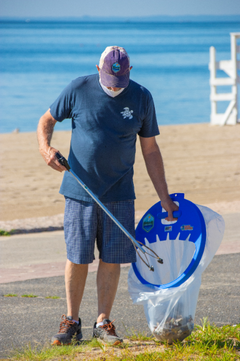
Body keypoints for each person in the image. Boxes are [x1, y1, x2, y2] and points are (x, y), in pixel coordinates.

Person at [37, 46, 178, 346]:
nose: (114, 88)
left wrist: (164, 198)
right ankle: (71, 322)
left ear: (129, 73)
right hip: (79, 190)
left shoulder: (142, 97)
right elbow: (46, 120)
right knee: (77, 257)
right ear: (97, 69)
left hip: (120, 192)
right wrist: (46, 150)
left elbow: (150, 150)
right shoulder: (78, 88)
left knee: (112, 259)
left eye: (119, 82)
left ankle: (103, 322)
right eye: (108, 81)